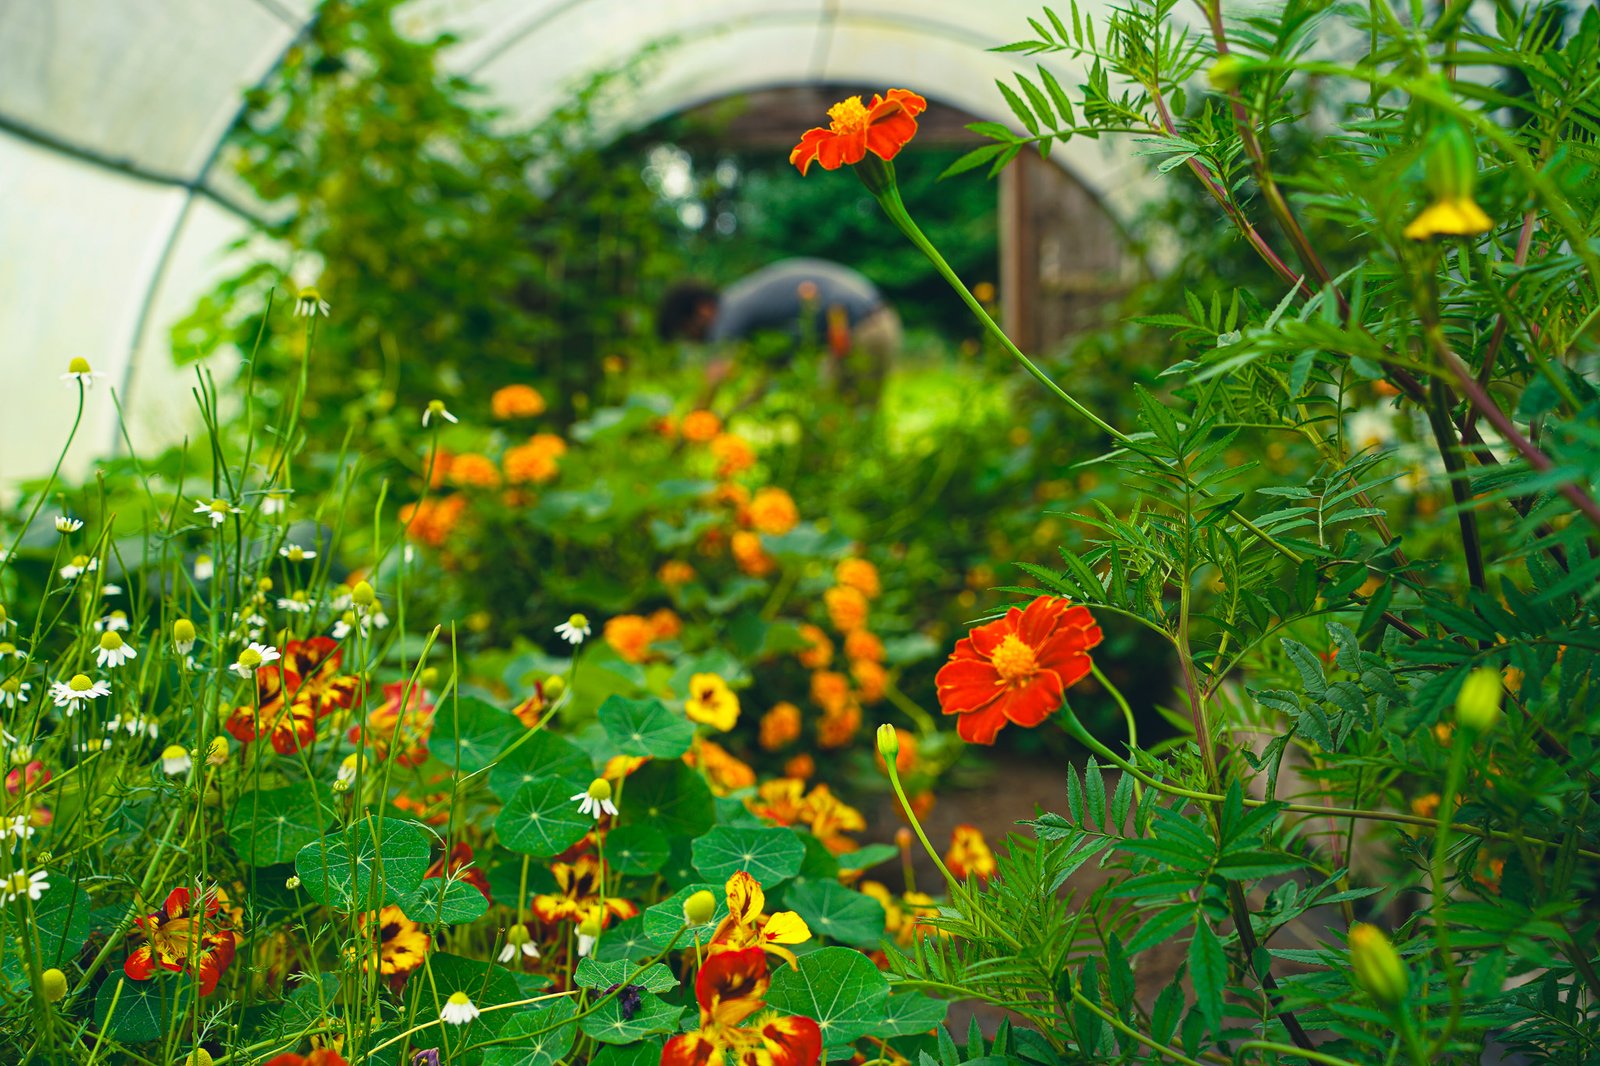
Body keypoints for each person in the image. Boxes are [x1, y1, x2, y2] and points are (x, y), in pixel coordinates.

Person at [657, 258, 902, 403]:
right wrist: (738, 409)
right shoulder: (751, 312)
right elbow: (773, 373)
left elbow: (716, 376)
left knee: (852, 415)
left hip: (867, 328)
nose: (695, 341)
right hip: (861, 325)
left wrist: (692, 427)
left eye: (687, 331)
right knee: (832, 414)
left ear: (702, 311)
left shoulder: (729, 310)